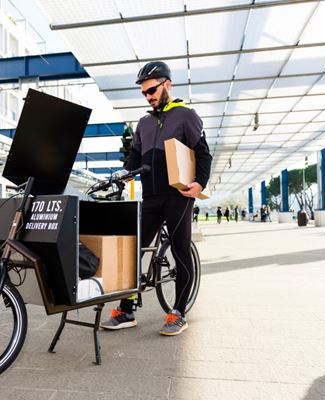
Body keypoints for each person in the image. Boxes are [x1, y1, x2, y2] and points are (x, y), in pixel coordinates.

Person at [100, 61, 212, 336]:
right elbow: (135, 157)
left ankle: (179, 312)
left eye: (151, 90)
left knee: (180, 249)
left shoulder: (186, 115)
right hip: (150, 197)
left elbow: (203, 152)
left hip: (178, 195)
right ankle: (126, 310)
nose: (148, 96)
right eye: (144, 93)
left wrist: (199, 184)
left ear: (167, 85)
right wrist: (124, 173)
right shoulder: (144, 123)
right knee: (132, 249)